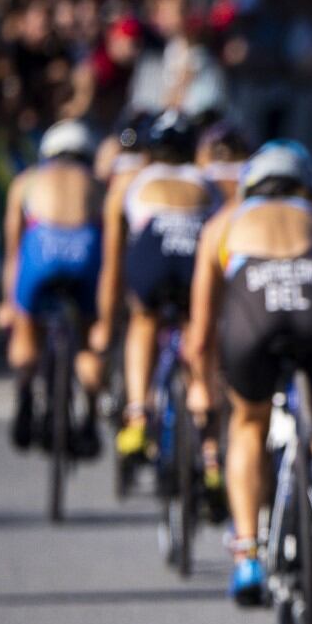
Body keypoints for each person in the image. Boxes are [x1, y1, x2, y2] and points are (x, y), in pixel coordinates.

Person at [184, 141, 312, 605]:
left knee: (247, 423)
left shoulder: (224, 223)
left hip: (254, 314)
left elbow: (202, 329)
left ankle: (247, 555)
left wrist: (201, 387)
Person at [97, 111, 222, 466]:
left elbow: (112, 265)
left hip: (153, 255)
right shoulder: (206, 181)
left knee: (143, 318)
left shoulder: (131, 183)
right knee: (199, 335)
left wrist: (106, 323)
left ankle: (137, 413)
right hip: (191, 259)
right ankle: (211, 454)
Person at [0, 120, 106, 455]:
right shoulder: (97, 183)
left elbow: (14, 251)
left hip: (40, 250)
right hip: (84, 250)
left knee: (26, 328)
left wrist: (10, 304)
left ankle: (25, 395)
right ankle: (89, 416)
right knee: (89, 337)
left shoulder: (26, 181)